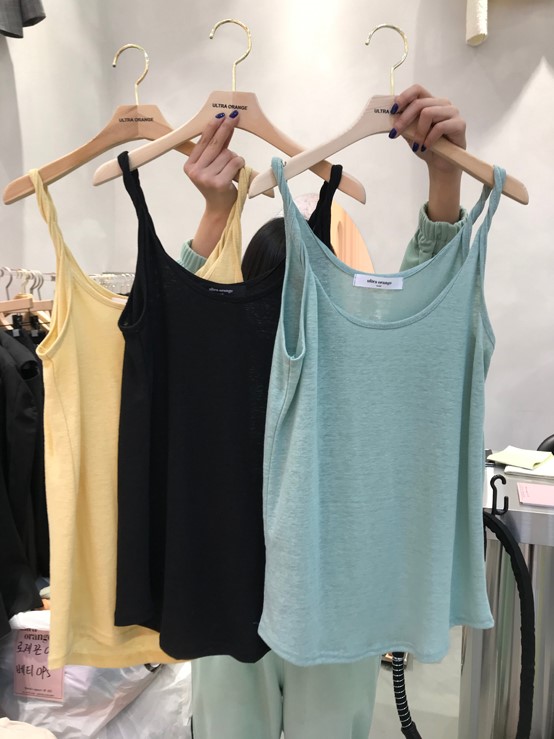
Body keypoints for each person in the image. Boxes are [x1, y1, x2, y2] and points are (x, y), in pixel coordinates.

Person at [177, 85, 468, 739]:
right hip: (273, 584)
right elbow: (179, 331)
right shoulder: (233, 364)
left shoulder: (349, 366)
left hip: (308, 588)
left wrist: (445, 179)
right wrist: (214, 218)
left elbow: (423, 312)